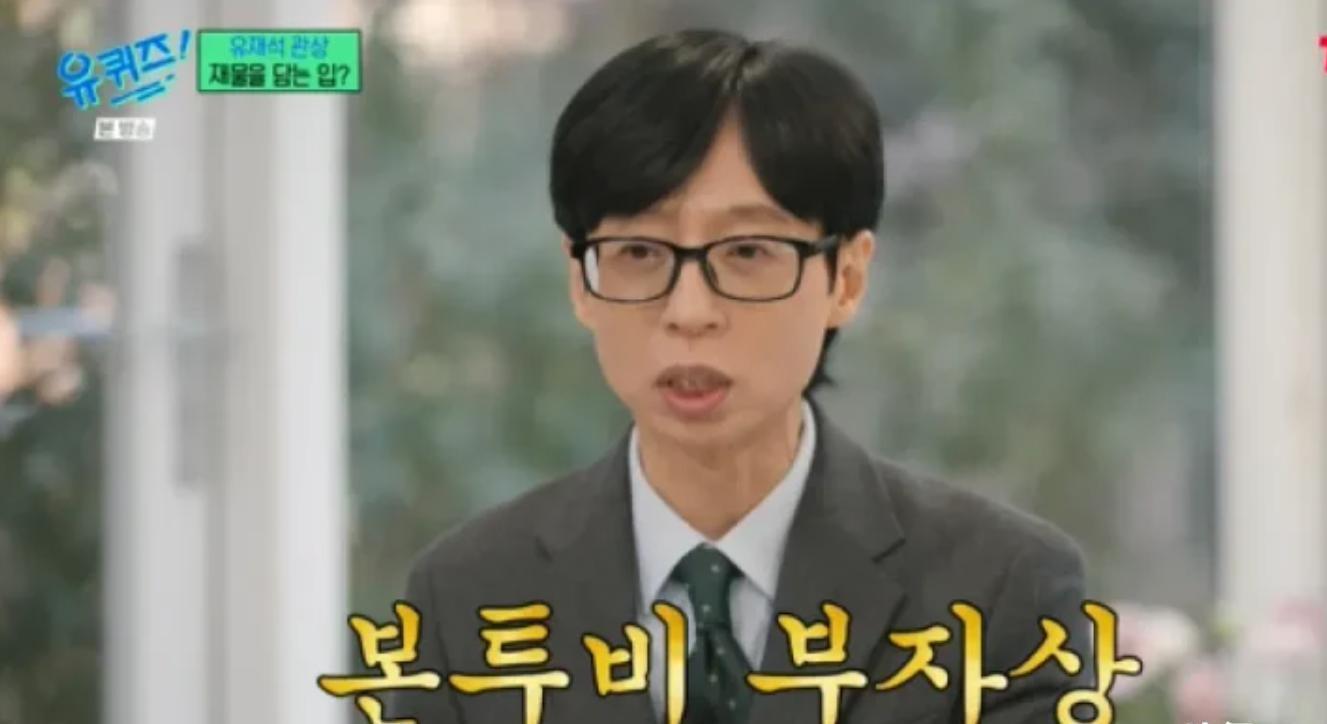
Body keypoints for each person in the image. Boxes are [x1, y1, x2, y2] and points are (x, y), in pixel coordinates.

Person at [388, 29, 1090, 724]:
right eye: (639, 251)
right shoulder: (463, 600)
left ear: (846, 278)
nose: (689, 312)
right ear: (580, 280)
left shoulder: (1003, 591)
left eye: (748, 251)